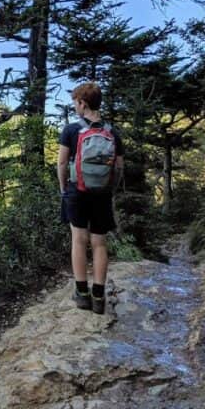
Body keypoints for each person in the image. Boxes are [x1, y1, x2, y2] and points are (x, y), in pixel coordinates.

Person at [57, 82, 124, 315]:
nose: (75, 106)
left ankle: (82, 294)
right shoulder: (112, 132)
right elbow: (118, 166)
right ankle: (98, 296)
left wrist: (63, 187)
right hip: (102, 193)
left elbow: (63, 162)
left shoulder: (71, 130)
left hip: (78, 190)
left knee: (78, 239)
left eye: (76, 102)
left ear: (82, 103)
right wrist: (110, 188)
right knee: (99, 242)